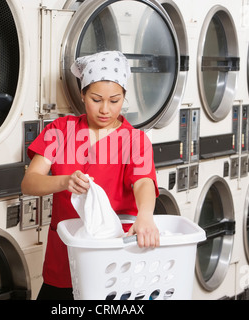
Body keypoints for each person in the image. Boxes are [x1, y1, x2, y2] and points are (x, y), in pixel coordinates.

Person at [21, 51, 159, 300]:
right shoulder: (60, 132)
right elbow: (29, 182)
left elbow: (143, 182)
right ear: (82, 94)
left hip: (116, 259)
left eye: (115, 100)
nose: (105, 109)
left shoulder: (135, 140)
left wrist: (146, 216)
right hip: (66, 257)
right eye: (96, 99)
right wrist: (64, 181)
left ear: (124, 97)